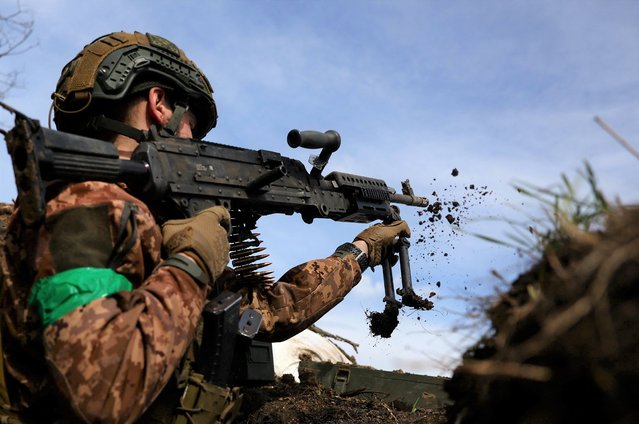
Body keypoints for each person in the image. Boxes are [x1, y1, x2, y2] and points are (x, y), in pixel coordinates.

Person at [0, 31, 410, 423]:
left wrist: (357, 253)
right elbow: (105, 395)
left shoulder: (128, 220)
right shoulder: (91, 207)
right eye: (192, 124)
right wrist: (194, 261)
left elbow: (266, 313)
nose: (194, 141)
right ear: (159, 104)